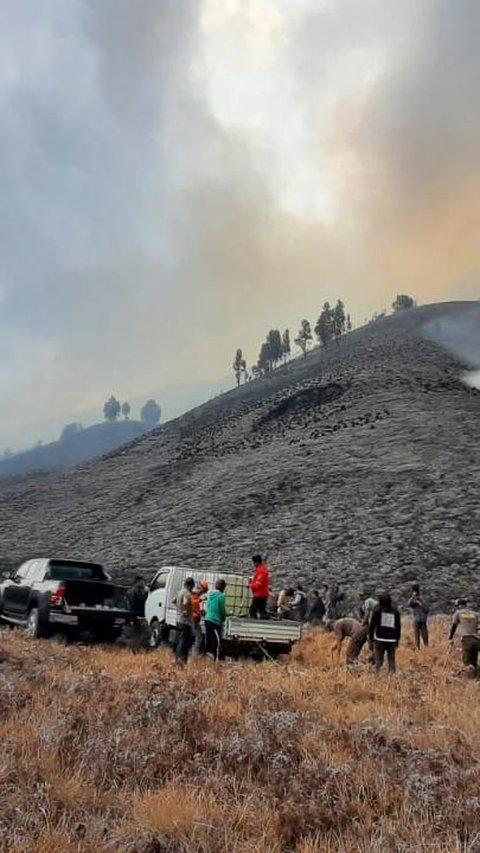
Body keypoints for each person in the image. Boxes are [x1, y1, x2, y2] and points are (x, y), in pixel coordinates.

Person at [369, 592, 401, 673]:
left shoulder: (377, 611)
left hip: (379, 638)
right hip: (391, 639)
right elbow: (398, 627)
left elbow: (372, 625)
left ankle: (377, 675)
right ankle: (392, 675)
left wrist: (371, 637)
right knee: (391, 659)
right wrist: (397, 639)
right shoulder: (395, 611)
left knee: (378, 659)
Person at [449, 599, 480, 676]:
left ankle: (471, 680)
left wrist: (450, 637)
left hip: (467, 639)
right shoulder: (475, 614)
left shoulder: (458, 613)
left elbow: (454, 626)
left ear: (459, 605)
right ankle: (476, 676)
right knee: (474, 659)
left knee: (467, 661)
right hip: (477, 639)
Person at [346, 595, 378, 664]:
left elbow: (367, 614)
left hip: (373, 624)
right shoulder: (374, 602)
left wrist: (363, 623)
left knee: (364, 639)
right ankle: (374, 659)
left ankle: (352, 660)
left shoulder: (368, 601)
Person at [173, 577, 195, 665]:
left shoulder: (179, 592)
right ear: (191, 585)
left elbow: (173, 601)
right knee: (184, 642)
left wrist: (179, 609)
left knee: (179, 640)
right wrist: (185, 611)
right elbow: (185, 602)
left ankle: (177, 658)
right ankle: (181, 660)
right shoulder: (187, 593)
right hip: (185, 621)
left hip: (178, 619)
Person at [205, 579, 227, 661]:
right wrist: (224, 617)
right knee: (217, 641)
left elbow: (208, 606)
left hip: (208, 619)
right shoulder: (221, 596)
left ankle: (207, 656)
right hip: (215, 621)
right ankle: (215, 659)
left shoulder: (210, 594)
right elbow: (222, 609)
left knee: (209, 639)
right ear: (223, 586)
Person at [408, 584, 429, 648]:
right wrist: (413, 597)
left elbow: (426, 609)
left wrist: (420, 603)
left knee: (424, 635)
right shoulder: (413, 600)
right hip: (416, 619)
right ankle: (418, 648)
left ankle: (426, 647)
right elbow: (409, 604)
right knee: (416, 636)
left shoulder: (422, 599)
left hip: (422, 620)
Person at [192, 581, 209, 656]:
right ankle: (196, 654)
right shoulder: (194, 595)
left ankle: (194, 653)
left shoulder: (196, 595)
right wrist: (200, 600)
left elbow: (196, 607)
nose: (203, 593)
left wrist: (201, 611)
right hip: (193, 620)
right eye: (203, 591)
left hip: (194, 619)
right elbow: (192, 603)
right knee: (198, 638)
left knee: (196, 637)